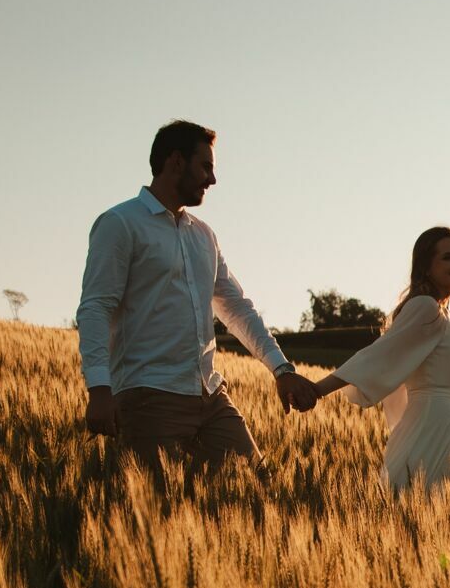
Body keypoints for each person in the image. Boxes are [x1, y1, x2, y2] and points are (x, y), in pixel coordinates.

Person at [76, 120, 318, 465]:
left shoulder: (203, 235)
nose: (212, 179)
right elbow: (96, 308)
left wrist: (282, 370)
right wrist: (99, 388)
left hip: (210, 396)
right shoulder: (120, 223)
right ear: (176, 162)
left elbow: (236, 308)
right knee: (155, 511)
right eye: (205, 167)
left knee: (257, 490)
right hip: (149, 397)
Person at [307, 226, 450, 493]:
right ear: (426, 266)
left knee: (445, 507)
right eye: (448, 257)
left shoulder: (442, 314)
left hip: (445, 424)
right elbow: (378, 357)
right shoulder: (424, 307)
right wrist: (317, 390)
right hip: (430, 425)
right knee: (426, 504)